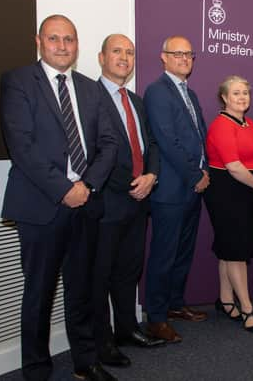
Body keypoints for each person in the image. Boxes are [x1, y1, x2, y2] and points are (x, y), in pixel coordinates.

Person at [0, 14, 118, 381]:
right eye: (54, 39)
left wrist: (87, 186)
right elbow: (22, 146)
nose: (62, 46)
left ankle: (85, 362)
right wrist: (64, 189)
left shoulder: (90, 88)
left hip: (86, 204)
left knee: (81, 290)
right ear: (39, 41)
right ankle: (36, 370)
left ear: (77, 45)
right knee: (39, 293)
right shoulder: (19, 82)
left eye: (69, 39)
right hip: (41, 206)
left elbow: (110, 144)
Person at [93, 34, 165, 368]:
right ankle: (102, 342)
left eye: (130, 52)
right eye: (117, 51)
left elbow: (149, 143)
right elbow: (91, 154)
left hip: (139, 201)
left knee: (128, 271)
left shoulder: (135, 101)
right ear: (101, 57)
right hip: (107, 203)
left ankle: (126, 329)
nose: (124, 57)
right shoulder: (89, 97)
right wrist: (130, 184)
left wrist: (151, 176)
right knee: (99, 276)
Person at [143, 36, 209, 343]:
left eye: (189, 54)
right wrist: (195, 174)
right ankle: (156, 318)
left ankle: (174, 304)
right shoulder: (157, 92)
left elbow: (199, 136)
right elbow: (168, 141)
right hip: (170, 190)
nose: (184, 58)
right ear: (163, 57)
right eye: (177, 53)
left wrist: (204, 169)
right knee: (164, 255)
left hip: (192, 189)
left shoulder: (190, 94)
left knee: (183, 253)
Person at [204, 75, 253, 333]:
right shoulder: (221, 125)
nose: (242, 97)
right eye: (236, 93)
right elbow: (232, 166)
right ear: (224, 97)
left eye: (245, 93)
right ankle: (246, 309)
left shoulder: (248, 123)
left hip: (245, 192)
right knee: (237, 252)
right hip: (226, 192)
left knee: (228, 248)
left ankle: (225, 300)